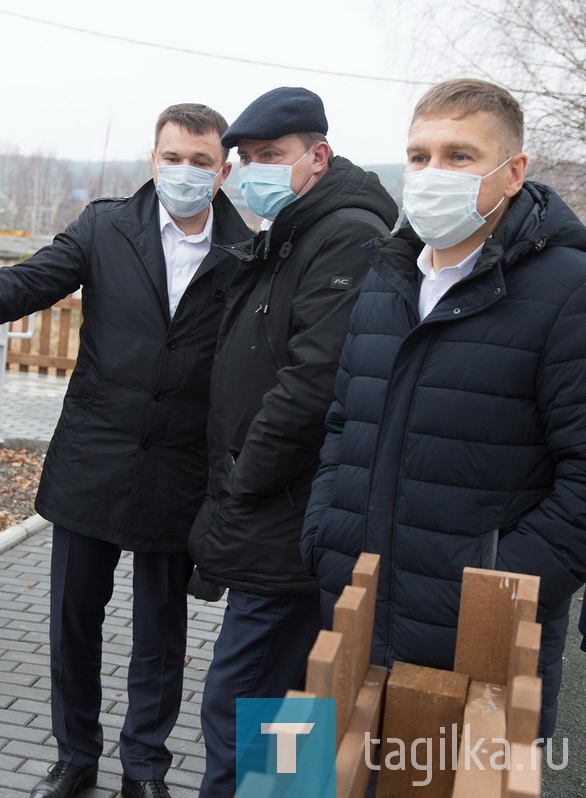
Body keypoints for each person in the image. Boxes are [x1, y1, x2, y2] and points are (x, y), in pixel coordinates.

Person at [0, 104, 249, 798]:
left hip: (180, 470)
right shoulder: (106, 228)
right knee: (75, 622)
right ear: (151, 161)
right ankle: (75, 758)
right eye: (173, 157)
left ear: (223, 171)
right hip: (93, 462)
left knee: (161, 636)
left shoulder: (247, 253)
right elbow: (36, 277)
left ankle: (144, 769)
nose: (184, 172)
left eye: (200, 161)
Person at [302, 78, 586, 738]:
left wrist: (497, 589)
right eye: (420, 156)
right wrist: (326, 533)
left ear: (513, 172)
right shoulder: (388, 277)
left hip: (482, 648)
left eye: (459, 156)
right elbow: (345, 420)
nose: (434, 173)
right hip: (357, 616)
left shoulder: (568, 293)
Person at [187, 86, 398, 797]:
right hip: (270, 513)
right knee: (274, 708)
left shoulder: (343, 233)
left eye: (270, 156)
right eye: (244, 158)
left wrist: (245, 477)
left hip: (284, 516)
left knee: (251, 701)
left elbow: (313, 383)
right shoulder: (293, 229)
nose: (253, 170)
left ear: (318, 156)